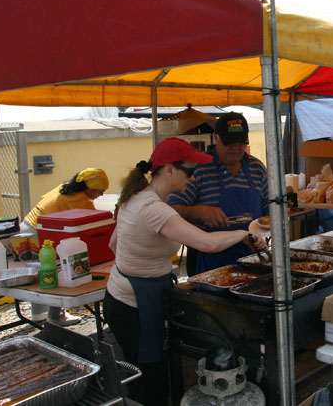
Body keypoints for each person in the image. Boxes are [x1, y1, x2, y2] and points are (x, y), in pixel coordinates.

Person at [104, 137, 267, 406]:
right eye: (189, 172)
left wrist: (138, 265)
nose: (192, 179)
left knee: (144, 376)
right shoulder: (153, 208)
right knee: (152, 382)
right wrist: (243, 234)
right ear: (169, 170)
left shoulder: (135, 197)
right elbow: (207, 243)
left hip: (127, 296)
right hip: (135, 304)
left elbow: (114, 244)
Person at [168, 112, 268, 275]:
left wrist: (267, 228)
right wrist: (200, 211)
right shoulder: (198, 169)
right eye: (230, 142)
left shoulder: (257, 168)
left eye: (240, 142)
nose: (236, 147)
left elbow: (269, 211)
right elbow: (170, 210)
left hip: (252, 256)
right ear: (216, 137)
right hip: (210, 261)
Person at [21, 168, 109, 326]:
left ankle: (39, 314)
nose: (100, 195)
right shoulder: (79, 200)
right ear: (89, 188)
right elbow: (97, 224)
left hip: (28, 227)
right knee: (57, 268)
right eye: (100, 191)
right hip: (39, 232)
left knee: (42, 270)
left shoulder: (64, 188)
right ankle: (56, 316)